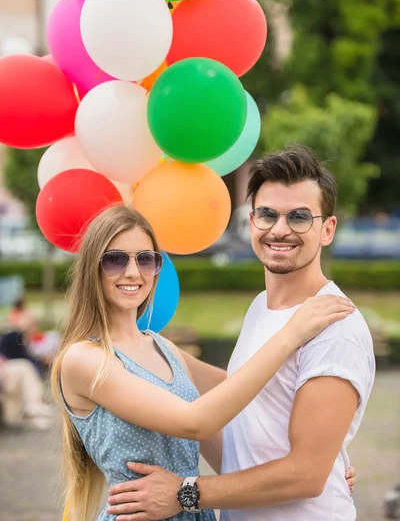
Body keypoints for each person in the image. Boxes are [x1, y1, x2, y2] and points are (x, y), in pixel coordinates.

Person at [107, 145, 375, 521]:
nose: (279, 229)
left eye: (299, 217)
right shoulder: (262, 306)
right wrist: (148, 346)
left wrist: (184, 493)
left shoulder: (334, 326)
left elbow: (306, 475)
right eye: (267, 214)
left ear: (327, 229)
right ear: (251, 222)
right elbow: (243, 409)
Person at [52, 203, 355, 521]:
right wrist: (290, 333)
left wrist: (323, 463)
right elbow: (196, 422)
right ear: (92, 268)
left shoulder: (162, 347)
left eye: (145, 259)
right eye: (115, 260)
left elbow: (257, 402)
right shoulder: (84, 360)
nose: (132, 272)